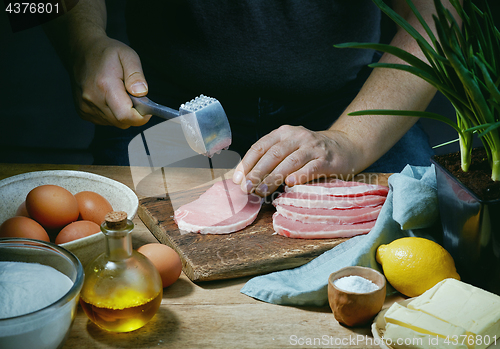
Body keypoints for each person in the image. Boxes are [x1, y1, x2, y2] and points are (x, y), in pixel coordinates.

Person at [45, 0, 459, 197]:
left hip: (353, 108)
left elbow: (444, 11)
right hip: (162, 111)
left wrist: (350, 139)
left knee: (420, 234)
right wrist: (83, 40)